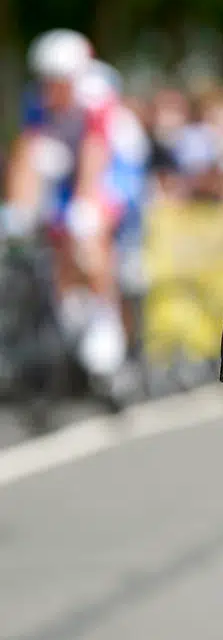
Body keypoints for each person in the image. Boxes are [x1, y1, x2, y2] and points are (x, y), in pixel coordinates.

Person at [2, 31, 133, 391]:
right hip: (66, 171)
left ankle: (107, 325)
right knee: (57, 240)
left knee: (88, 232)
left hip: (110, 169)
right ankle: (71, 315)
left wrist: (86, 203)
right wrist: (16, 209)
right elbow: (26, 151)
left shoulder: (97, 93)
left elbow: (96, 150)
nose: (51, 89)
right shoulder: (36, 99)